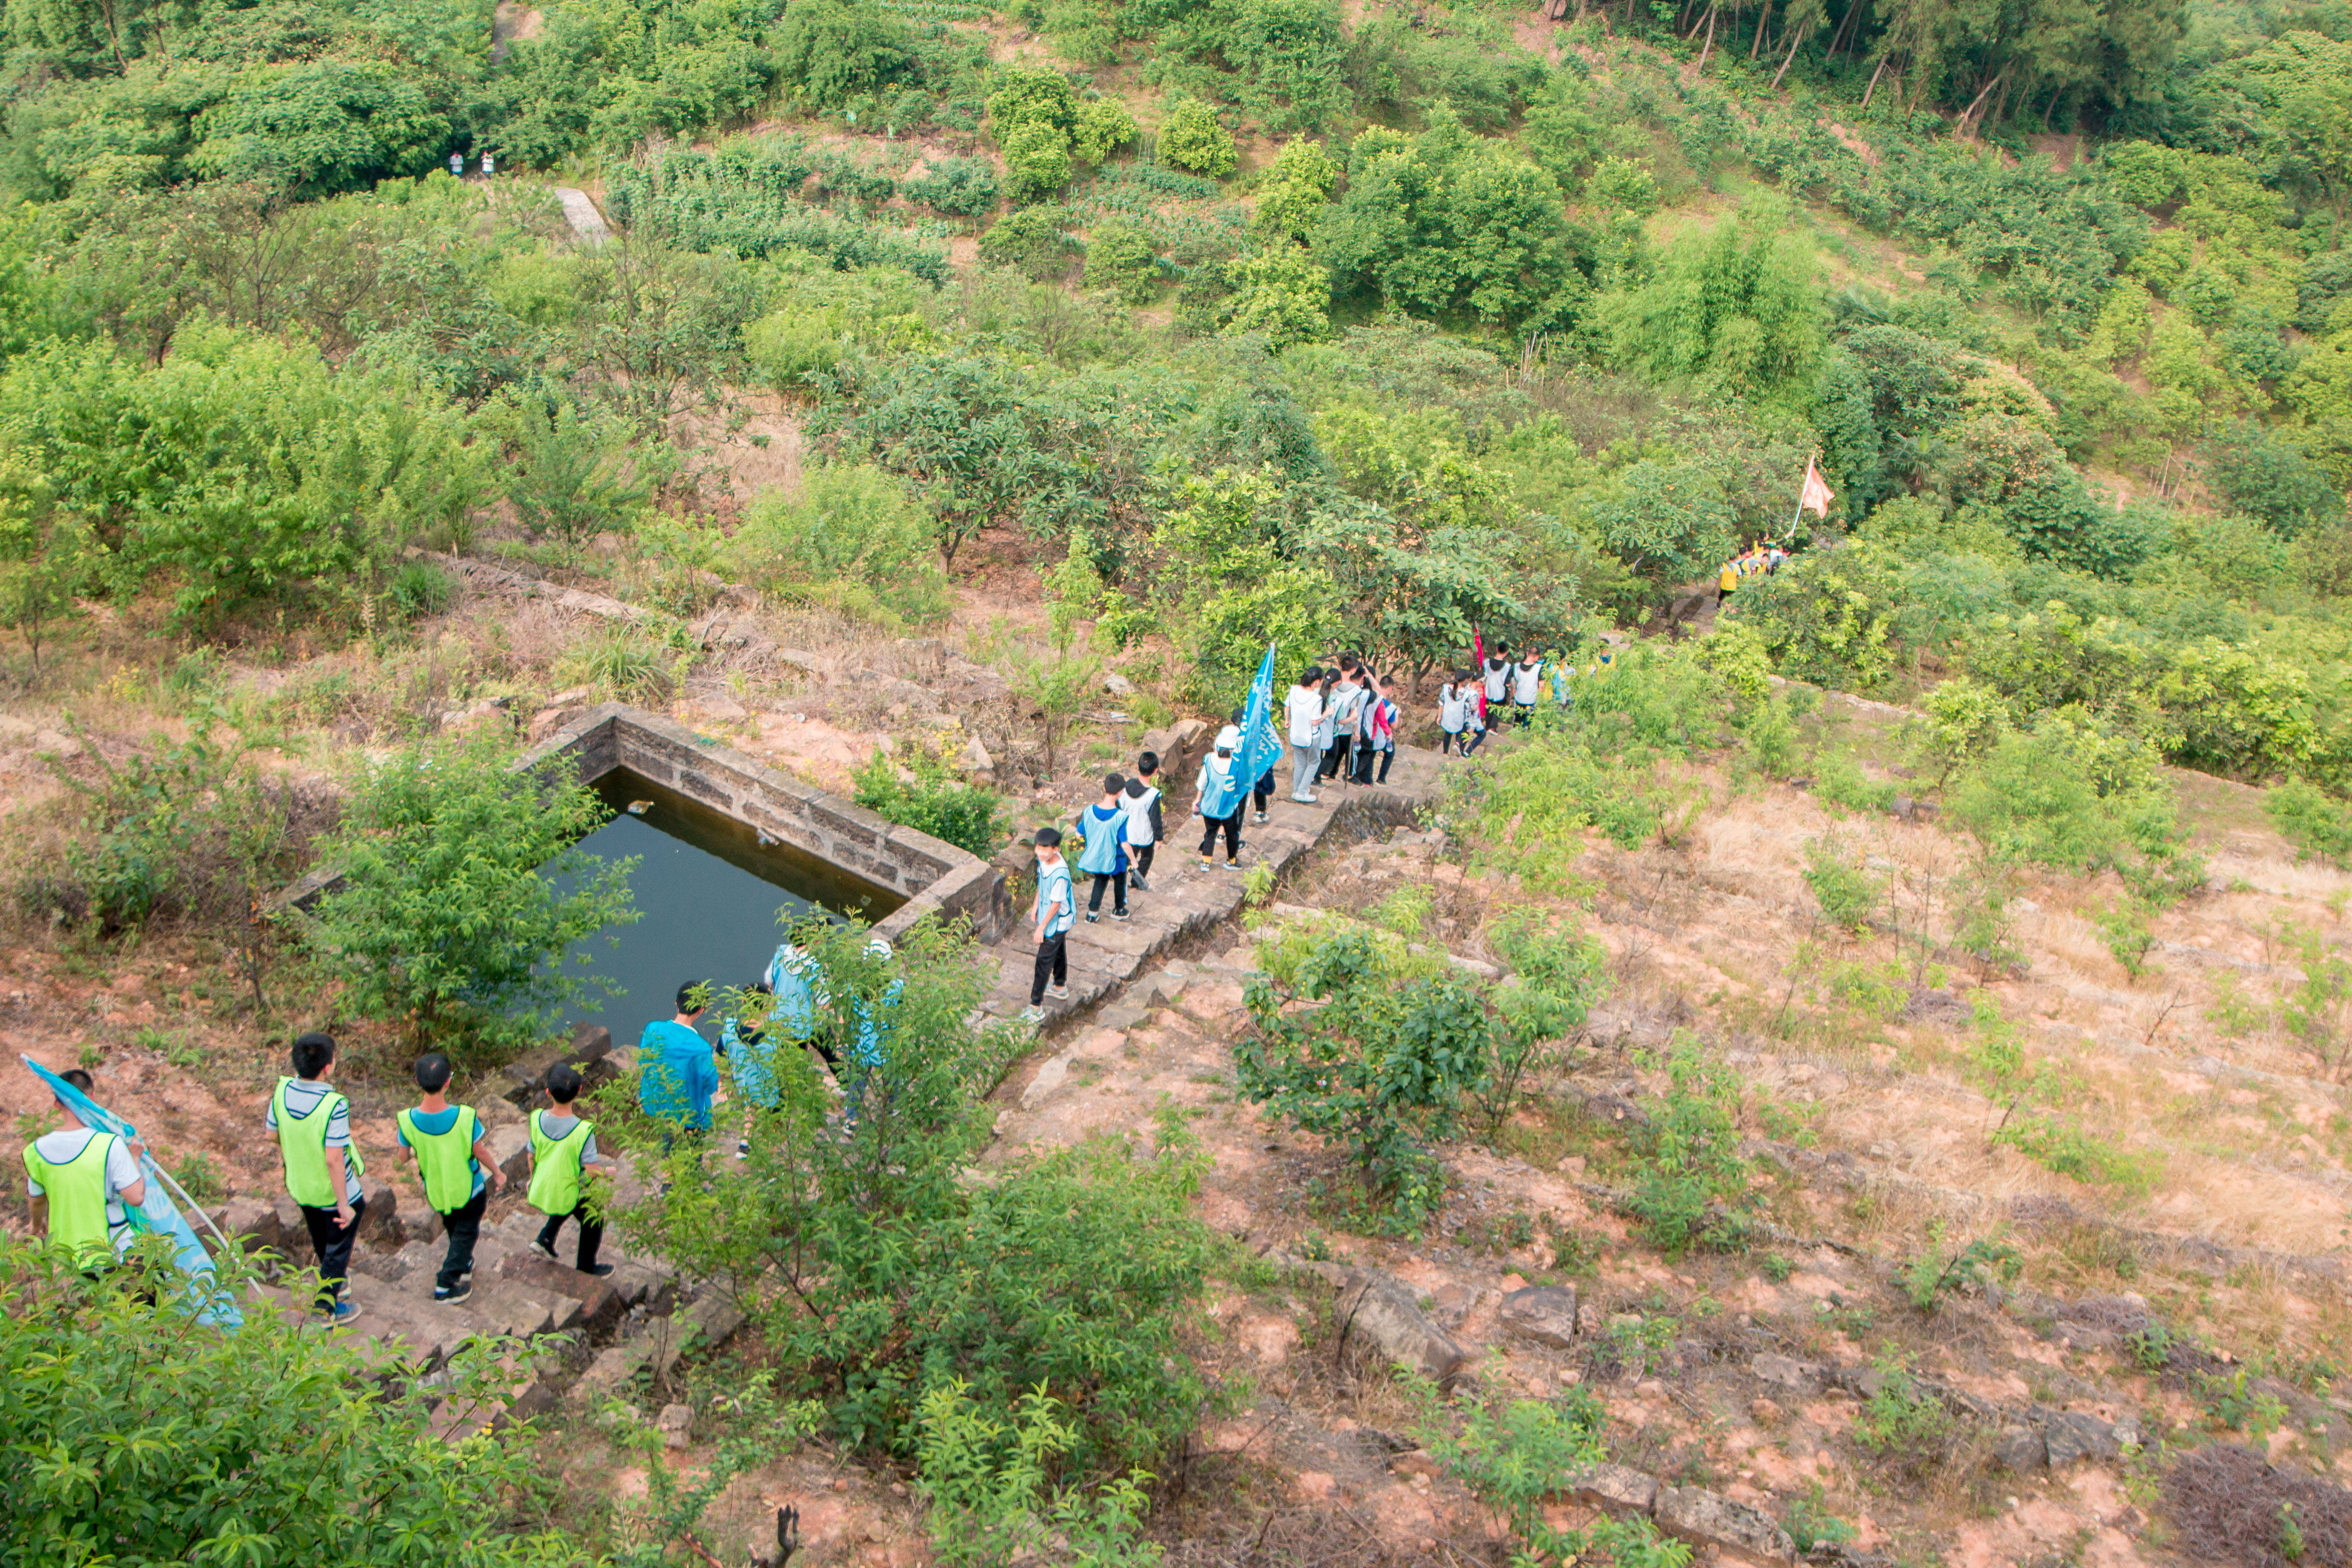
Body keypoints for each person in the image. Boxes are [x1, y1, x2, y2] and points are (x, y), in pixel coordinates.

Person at [269, 1032, 364, 1326]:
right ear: (328, 1067)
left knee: (322, 1236)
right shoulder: (334, 1104)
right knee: (339, 1242)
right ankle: (326, 1308)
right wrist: (344, 1204)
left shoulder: (282, 1090)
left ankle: (335, 1281)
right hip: (331, 1189)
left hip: (301, 1184)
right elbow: (334, 1159)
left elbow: (271, 1135)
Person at [393, 1052, 503, 1305]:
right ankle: (446, 1284)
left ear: (417, 1082)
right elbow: (480, 1151)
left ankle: (463, 1262)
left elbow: (402, 1157)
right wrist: (498, 1173)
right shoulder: (465, 1117)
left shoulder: (407, 1120)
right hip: (470, 1188)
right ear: (448, 1082)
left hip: (437, 1189)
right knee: (467, 1232)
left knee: (454, 1227)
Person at [22, 1068, 146, 1268]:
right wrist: (135, 1158)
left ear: (57, 1105)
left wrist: (36, 1227)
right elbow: (136, 1197)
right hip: (114, 1252)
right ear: (92, 1098)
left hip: (66, 1259)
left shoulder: (36, 1151)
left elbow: (37, 1202)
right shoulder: (110, 1144)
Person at [526, 1064, 611, 1277]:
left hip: (545, 1182)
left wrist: (532, 1178)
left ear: (548, 1092)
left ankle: (545, 1239)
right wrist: (606, 1173)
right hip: (570, 1186)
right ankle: (586, 1267)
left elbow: (531, 1155)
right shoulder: (583, 1130)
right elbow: (591, 1171)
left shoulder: (536, 1118)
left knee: (564, 1200)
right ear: (579, 1092)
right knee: (594, 1217)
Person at [637, 985, 718, 1146]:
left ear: (676, 1002)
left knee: (666, 1153)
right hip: (689, 1116)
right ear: (701, 1010)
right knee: (692, 1162)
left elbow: (644, 1062)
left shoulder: (653, 1029)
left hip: (658, 1107)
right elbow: (710, 1085)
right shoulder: (701, 1048)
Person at [723, 981, 780, 1156]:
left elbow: (720, 1055)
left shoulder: (730, 1029)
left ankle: (745, 1142)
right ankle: (770, 1159)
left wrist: (722, 1083)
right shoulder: (773, 1035)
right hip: (769, 1090)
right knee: (775, 1117)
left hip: (743, 1087)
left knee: (751, 1104)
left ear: (743, 1003)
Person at [1025, 827, 1075, 1024]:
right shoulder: (1043, 861)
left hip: (1058, 920)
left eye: (1045, 849)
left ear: (1056, 849)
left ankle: (1036, 1007)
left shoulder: (1060, 873)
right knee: (1058, 950)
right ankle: (1060, 987)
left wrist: (1041, 928)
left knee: (1043, 961)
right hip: (1049, 915)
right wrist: (1036, 904)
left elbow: (1056, 905)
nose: (1040, 852)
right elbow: (1041, 883)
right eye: (1038, 847)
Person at [1073, 773, 1130, 922]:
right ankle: (1119, 910)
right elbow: (1124, 843)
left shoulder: (1089, 811)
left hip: (1099, 857)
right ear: (1121, 792)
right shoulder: (1120, 816)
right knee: (1120, 883)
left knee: (1100, 882)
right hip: (1117, 857)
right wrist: (1134, 861)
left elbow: (1079, 833)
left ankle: (1092, 913)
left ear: (1104, 788)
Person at [1195, 725, 1243, 870]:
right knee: (1232, 835)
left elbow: (1201, 784)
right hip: (1227, 807)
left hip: (1209, 806)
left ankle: (1206, 862)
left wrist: (1198, 800)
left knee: (1210, 833)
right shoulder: (1236, 767)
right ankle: (1232, 861)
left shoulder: (1209, 762)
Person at [1121, 756, 1164, 892]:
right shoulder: (1153, 794)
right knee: (1146, 859)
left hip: (1127, 833)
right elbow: (1155, 819)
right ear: (1155, 771)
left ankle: (1121, 883)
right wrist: (1159, 838)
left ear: (1138, 767)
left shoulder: (1125, 787)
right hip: (1145, 836)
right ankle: (1136, 885)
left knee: (1128, 859)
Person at [1284, 668, 1326, 803]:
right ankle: (1302, 792)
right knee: (1314, 762)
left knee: (1300, 763)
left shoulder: (1294, 690)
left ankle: (1297, 789)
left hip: (1296, 735)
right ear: (1317, 682)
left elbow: (1287, 706)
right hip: (1311, 737)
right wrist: (1327, 714)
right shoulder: (1316, 699)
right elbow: (1315, 722)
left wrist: (1287, 720)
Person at [1321, 663, 1364, 782]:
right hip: (1337, 730)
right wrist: (1355, 724)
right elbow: (1343, 718)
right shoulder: (1353, 692)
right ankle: (1347, 775)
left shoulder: (1318, 693)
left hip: (1320, 731)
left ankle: (1324, 775)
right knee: (1333, 755)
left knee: (1325, 755)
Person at [1363, 673, 1398, 784]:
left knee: (1370, 756)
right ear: (1391, 688)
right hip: (1382, 735)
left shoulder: (1370, 697)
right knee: (1390, 753)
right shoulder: (1390, 707)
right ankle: (1381, 778)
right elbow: (1393, 726)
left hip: (1367, 733)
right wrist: (1397, 714)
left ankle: (1367, 780)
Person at [1438, 671, 1470, 756]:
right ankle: (1458, 744)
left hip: (1447, 716)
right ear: (1464, 680)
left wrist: (1439, 717)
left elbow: (1441, 703)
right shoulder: (1467, 693)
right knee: (1460, 732)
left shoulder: (1445, 688)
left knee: (1447, 734)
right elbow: (1467, 709)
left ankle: (1445, 753)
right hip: (1459, 717)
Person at [1483, 646, 1513, 729]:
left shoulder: (1487, 662)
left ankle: (1488, 727)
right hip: (1500, 692)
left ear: (1497, 649)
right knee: (1498, 709)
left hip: (1488, 690)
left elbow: (1482, 675)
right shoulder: (1507, 666)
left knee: (1489, 708)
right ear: (1507, 652)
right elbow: (1507, 683)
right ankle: (1493, 727)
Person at [1513, 650, 1543, 725]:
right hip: (1532, 700)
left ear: (1527, 653)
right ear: (1537, 657)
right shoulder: (1539, 668)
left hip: (1519, 698)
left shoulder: (1516, 666)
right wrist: (1541, 699)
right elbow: (1541, 686)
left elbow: (1513, 681)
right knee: (1528, 722)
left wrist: (1512, 694)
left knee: (1518, 721)